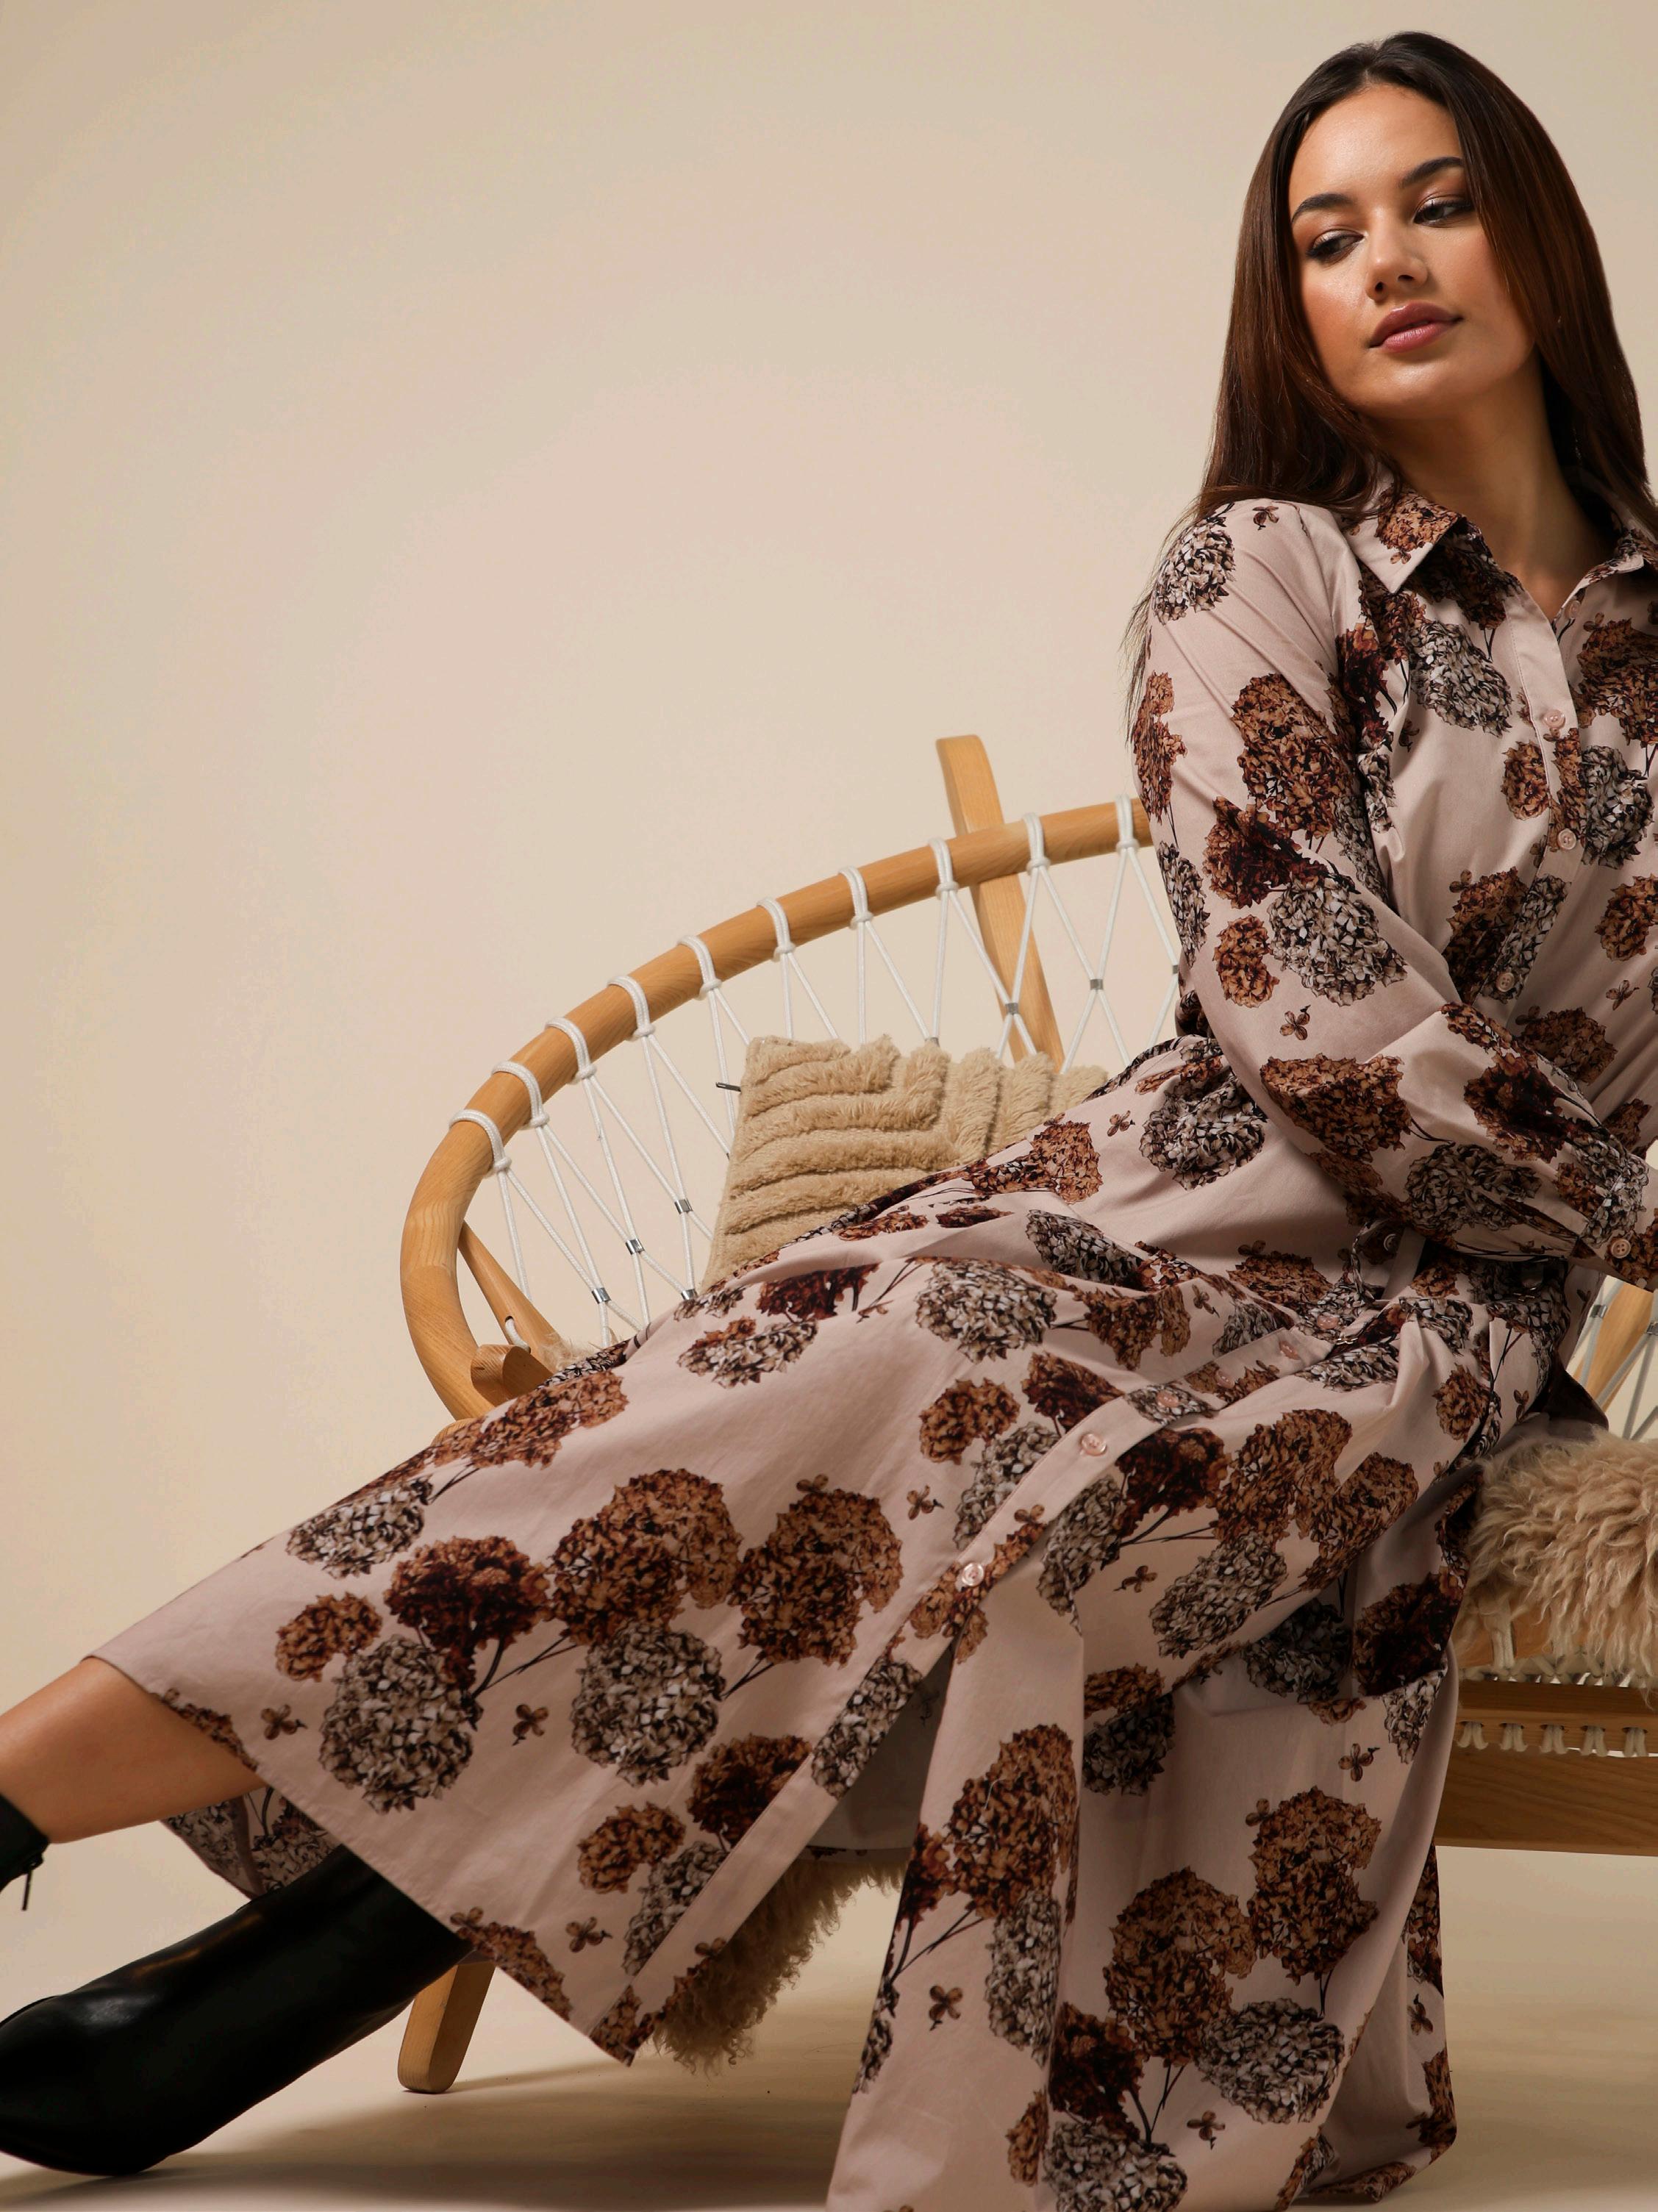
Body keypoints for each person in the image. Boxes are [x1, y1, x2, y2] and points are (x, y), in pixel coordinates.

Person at [4, 25, 1657, 2208]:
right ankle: (17, 1795)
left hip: (1427, 1330)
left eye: (1438, 203)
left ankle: (232, 1998)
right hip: (1167, 1212)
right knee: (832, 1368)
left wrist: (1569, 1232)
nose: (1391, 263)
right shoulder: (1258, 574)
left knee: (1050, 1497)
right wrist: (1622, 1200)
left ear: (1540, 227)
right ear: (1289, 305)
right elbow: (1308, 1001)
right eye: (1327, 236)